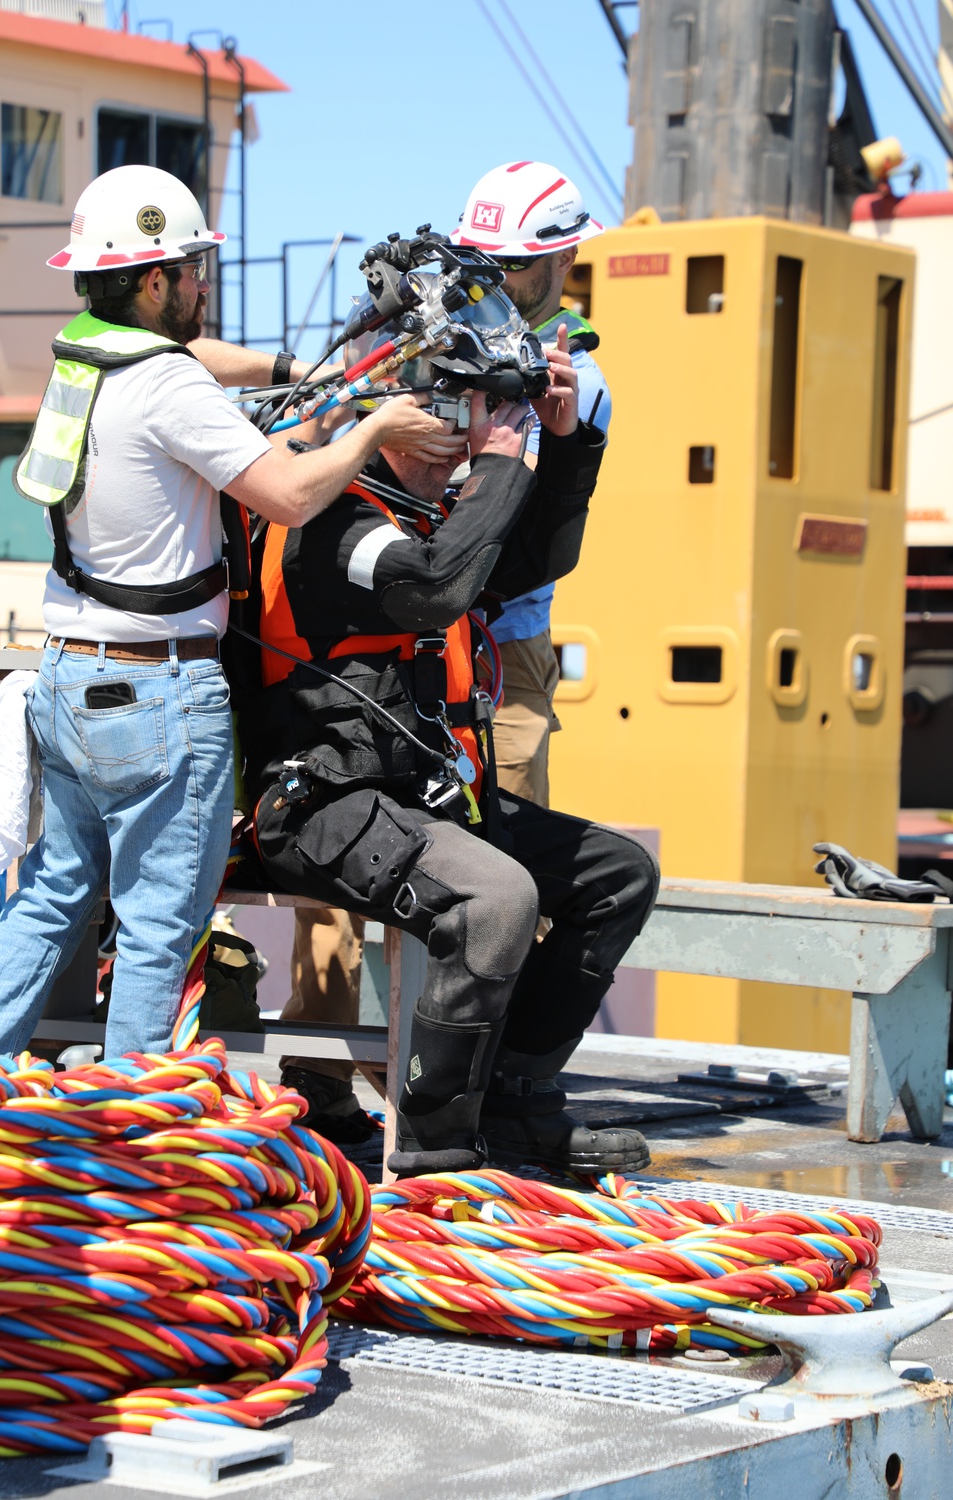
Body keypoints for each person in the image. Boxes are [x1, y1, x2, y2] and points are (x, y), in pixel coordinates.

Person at [0, 165, 448, 1066]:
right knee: (157, 921)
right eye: (192, 271)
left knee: (57, 893)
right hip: (157, 694)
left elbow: (196, 366)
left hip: (67, 678)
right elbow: (291, 495)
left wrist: (308, 374)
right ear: (155, 281)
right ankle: (132, 1129)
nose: (202, 286)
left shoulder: (81, 358)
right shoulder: (170, 389)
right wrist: (375, 429)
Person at [235, 274, 659, 1177]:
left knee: (617, 877)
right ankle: (434, 1150)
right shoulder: (338, 524)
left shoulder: (440, 510)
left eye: (473, 414)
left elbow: (535, 558)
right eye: (454, 411)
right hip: (327, 803)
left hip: (424, 795)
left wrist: (564, 441)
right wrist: (502, 465)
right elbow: (434, 584)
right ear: (394, 416)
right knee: (495, 901)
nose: (464, 435)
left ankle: (516, 1100)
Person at [451, 161, 611, 807]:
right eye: (476, 260)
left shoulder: (579, 383)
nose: (488, 280)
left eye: (510, 263)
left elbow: (525, 541)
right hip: (398, 637)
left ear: (564, 256)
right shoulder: (439, 341)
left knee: (511, 861)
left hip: (501, 653)